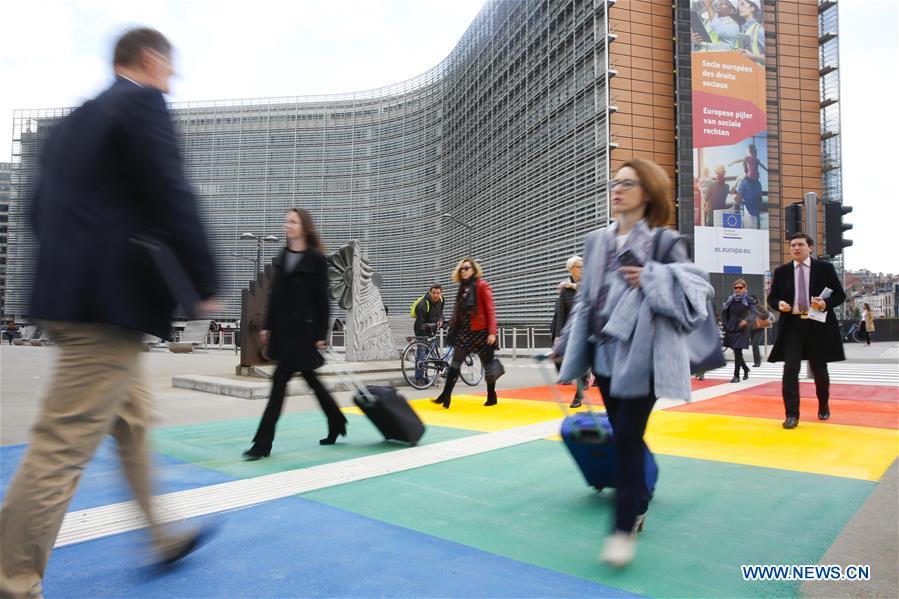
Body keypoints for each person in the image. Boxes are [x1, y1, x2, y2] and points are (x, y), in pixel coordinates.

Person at [0, 28, 220, 597]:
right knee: (62, 444)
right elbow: (172, 191)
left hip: (69, 298)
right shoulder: (141, 103)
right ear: (148, 59)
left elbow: (35, 209)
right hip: (108, 309)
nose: (171, 81)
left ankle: (161, 536)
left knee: (133, 419)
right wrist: (205, 279)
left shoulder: (71, 124)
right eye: (169, 69)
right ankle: (12, 581)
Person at [555, 159, 714, 567]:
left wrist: (651, 278)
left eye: (628, 183)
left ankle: (623, 527)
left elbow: (698, 292)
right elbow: (586, 299)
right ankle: (640, 494)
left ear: (648, 192)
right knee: (626, 434)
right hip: (605, 353)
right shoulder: (596, 241)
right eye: (616, 182)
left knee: (626, 437)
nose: (618, 189)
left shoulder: (664, 242)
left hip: (645, 356)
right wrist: (567, 342)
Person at [243, 208, 345, 459]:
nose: (287, 225)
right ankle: (337, 421)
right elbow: (275, 295)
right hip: (284, 332)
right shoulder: (284, 255)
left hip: (305, 333)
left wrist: (321, 333)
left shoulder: (316, 259)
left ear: (304, 227)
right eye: (286, 221)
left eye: (293, 221)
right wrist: (267, 326)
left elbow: (323, 300)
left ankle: (262, 444)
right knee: (312, 381)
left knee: (278, 387)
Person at [767, 232, 846, 429]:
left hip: (817, 325)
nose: (796, 248)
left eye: (800, 244)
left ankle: (823, 403)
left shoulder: (825, 269)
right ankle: (791, 415)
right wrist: (779, 304)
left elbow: (840, 295)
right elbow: (772, 298)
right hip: (792, 325)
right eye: (793, 245)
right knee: (790, 368)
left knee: (819, 369)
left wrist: (825, 303)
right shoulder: (782, 272)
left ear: (810, 247)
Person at [434, 258, 498, 409]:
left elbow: (490, 310)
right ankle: (446, 395)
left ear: (474, 270)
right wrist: (451, 324)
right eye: (462, 268)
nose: (464, 271)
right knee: (455, 363)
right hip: (465, 332)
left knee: (488, 365)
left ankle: (491, 395)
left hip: (481, 332)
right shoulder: (462, 289)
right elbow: (458, 311)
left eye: (467, 268)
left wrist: (492, 332)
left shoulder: (482, 286)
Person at [550, 255, 589, 408]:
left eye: (584, 266)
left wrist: (573, 286)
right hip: (571, 330)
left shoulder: (589, 284)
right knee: (561, 359)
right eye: (579, 267)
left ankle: (578, 396)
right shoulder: (565, 290)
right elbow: (560, 313)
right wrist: (558, 335)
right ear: (571, 269)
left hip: (588, 329)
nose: (582, 269)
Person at [722, 279, 756, 382]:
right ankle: (745, 369)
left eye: (740, 288)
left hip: (741, 328)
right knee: (736, 352)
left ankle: (736, 376)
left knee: (737, 351)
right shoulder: (730, 299)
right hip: (730, 328)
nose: (737, 289)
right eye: (736, 288)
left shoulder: (749, 300)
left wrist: (746, 320)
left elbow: (753, 314)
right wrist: (725, 324)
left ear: (745, 288)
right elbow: (724, 313)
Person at [412, 284, 445, 386]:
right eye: (433, 293)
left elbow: (440, 313)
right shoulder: (423, 304)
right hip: (421, 329)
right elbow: (420, 323)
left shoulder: (442, 300)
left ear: (441, 293)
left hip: (432, 329)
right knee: (421, 353)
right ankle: (419, 378)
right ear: (430, 293)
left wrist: (440, 320)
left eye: (438, 293)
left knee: (427, 354)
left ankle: (426, 377)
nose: (436, 295)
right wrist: (425, 336)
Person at [736, 0, 765, 64]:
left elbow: (771, 58)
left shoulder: (759, 30)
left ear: (752, 8)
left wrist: (753, 56)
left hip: (758, 69)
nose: (739, 7)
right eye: (739, 4)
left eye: (742, 4)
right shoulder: (742, 29)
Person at [748, 294, 772, 367]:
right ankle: (757, 360)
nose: (752, 301)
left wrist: (757, 313)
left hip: (759, 328)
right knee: (753, 345)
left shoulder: (759, 306)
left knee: (755, 343)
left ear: (756, 300)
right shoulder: (747, 307)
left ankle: (757, 362)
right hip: (751, 328)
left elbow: (767, 314)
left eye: (753, 299)